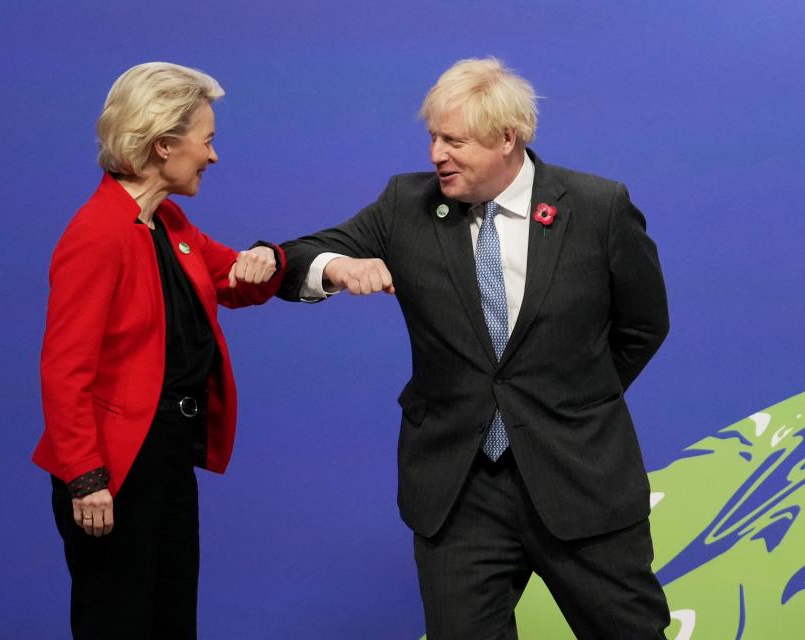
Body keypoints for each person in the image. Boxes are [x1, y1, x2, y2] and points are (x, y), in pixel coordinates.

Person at [277, 57, 671, 639]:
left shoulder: (597, 207)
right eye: (433, 137)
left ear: (506, 139)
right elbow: (297, 259)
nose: (436, 154)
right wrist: (338, 266)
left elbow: (643, 325)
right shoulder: (404, 205)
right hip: (459, 492)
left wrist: (571, 399)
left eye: (453, 140)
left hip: (580, 479)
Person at [32, 62, 284, 639]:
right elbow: (64, 369)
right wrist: (86, 478)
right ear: (164, 144)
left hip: (169, 453)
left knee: (173, 623)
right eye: (208, 140)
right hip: (115, 466)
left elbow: (235, 278)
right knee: (117, 623)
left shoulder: (166, 220)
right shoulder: (97, 232)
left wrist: (280, 258)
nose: (214, 156)